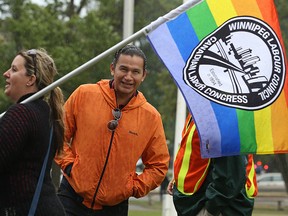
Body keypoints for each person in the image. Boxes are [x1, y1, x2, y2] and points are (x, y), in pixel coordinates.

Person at [55, 44, 170, 216]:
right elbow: (58, 135)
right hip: (71, 199)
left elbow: (158, 165)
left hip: (115, 208)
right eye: (123, 69)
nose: (128, 77)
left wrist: (133, 187)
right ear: (112, 69)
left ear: (144, 76)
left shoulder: (151, 117)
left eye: (135, 72)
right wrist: (70, 165)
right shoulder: (84, 94)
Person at [0, 48, 66, 215]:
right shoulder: (45, 113)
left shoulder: (21, 113)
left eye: (14, 69)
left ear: (31, 79)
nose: (6, 74)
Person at [167, 113, 258, 216]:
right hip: (197, 203)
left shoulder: (225, 114)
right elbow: (194, 152)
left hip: (219, 207)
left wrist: (211, 210)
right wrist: (180, 178)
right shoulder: (200, 110)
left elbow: (231, 176)